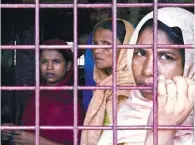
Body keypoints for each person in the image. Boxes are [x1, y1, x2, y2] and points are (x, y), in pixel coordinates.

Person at [96, 7, 194, 145]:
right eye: (141, 53)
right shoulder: (127, 113)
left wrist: (162, 131)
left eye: (166, 56)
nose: (147, 70)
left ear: (190, 64)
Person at [2, 39, 85, 145]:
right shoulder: (36, 94)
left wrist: (35, 141)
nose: (49, 67)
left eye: (56, 62)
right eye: (44, 61)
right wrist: (14, 131)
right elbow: (31, 129)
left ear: (68, 66)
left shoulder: (71, 102)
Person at [80, 18, 135, 145]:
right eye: (95, 43)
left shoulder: (132, 88)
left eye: (106, 44)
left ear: (126, 47)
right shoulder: (102, 87)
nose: (97, 50)